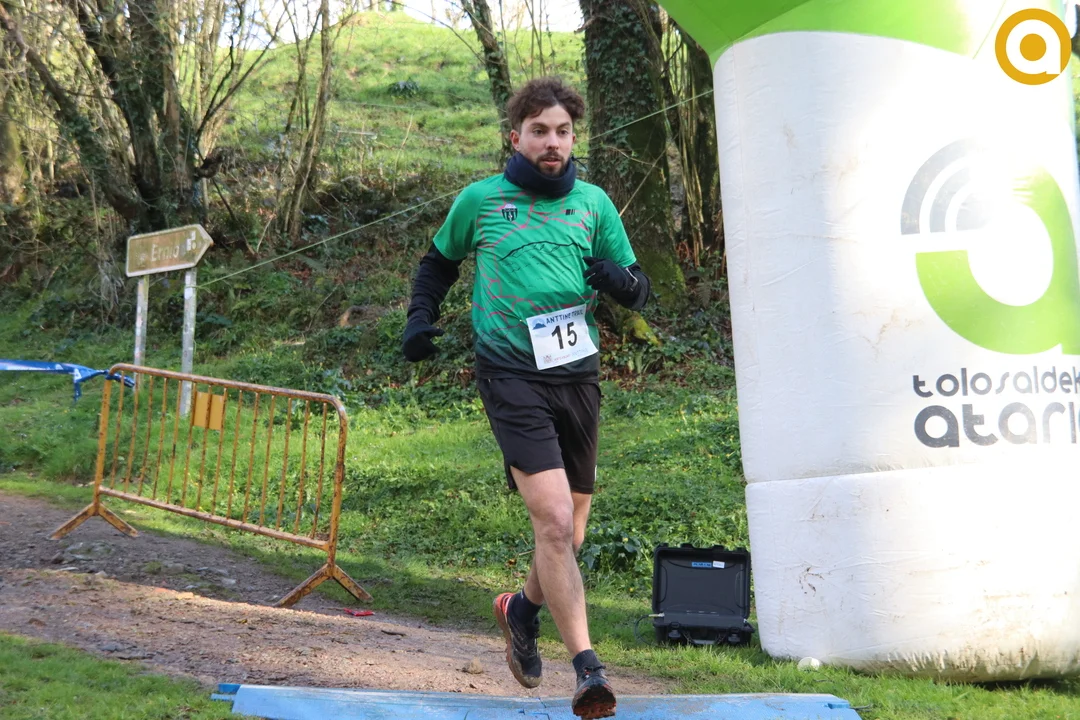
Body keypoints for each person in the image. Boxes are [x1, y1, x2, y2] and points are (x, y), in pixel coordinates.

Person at [402, 76, 650, 720]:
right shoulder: (482, 200)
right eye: (539, 131)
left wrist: (618, 280)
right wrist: (420, 318)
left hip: (577, 374)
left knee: (571, 531)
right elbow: (438, 263)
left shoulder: (593, 204)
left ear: (574, 137)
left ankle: (522, 609)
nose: (552, 142)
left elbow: (638, 287)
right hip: (510, 373)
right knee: (556, 522)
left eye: (563, 131)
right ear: (515, 137)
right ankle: (588, 670)